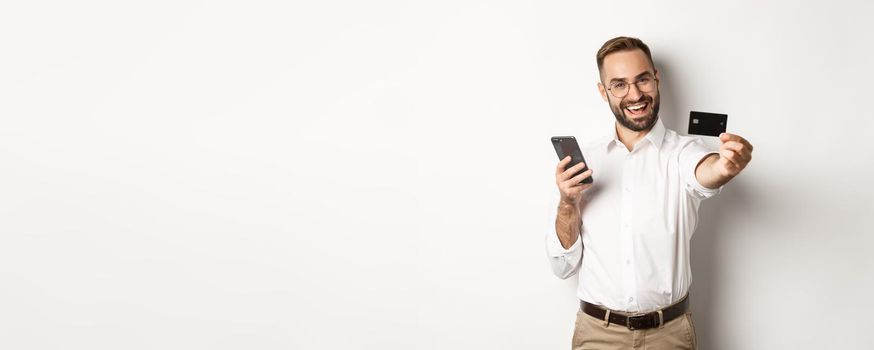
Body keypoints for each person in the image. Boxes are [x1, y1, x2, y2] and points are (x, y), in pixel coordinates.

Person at [545, 36, 753, 350]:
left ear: (656, 79)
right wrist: (566, 203)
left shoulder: (684, 151)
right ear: (604, 92)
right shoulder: (584, 163)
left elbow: (704, 172)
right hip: (597, 335)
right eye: (619, 84)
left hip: (668, 335)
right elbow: (563, 267)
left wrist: (724, 168)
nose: (635, 94)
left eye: (642, 80)